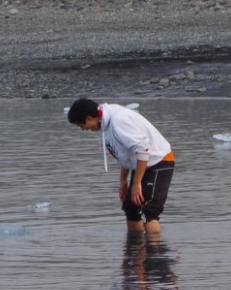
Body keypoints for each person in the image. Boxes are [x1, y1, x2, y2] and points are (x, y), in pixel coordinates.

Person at [65, 98, 176, 238]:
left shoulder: (119, 121)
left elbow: (143, 149)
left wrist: (136, 183)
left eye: (81, 125)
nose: (83, 129)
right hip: (142, 164)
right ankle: (135, 251)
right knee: (131, 208)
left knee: (149, 210)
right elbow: (127, 155)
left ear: (89, 117)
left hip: (159, 161)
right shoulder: (105, 124)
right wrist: (123, 181)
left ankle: (154, 254)